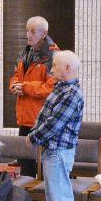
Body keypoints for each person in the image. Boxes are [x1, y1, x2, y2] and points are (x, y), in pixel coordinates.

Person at [28, 50, 85, 201]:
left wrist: (33, 136)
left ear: (67, 69)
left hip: (59, 150)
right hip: (52, 149)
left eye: (55, 66)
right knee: (52, 194)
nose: (51, 69)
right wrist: (36, 132)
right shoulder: (61, 88)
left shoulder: (72, 94)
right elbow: (45, 116)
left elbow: (55, 124)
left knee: (60, 194)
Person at [9, 16, 59, 177]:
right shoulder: (26, 52)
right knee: (25, 165)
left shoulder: (53, 56)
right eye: (27, 31)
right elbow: (16, 75)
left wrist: (25, 87)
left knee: (44, 167)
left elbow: (52, 88)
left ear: (44, 33)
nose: (28, 35)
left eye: (33, 31)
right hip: (25, 118)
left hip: (43, 120)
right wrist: (14, 85)